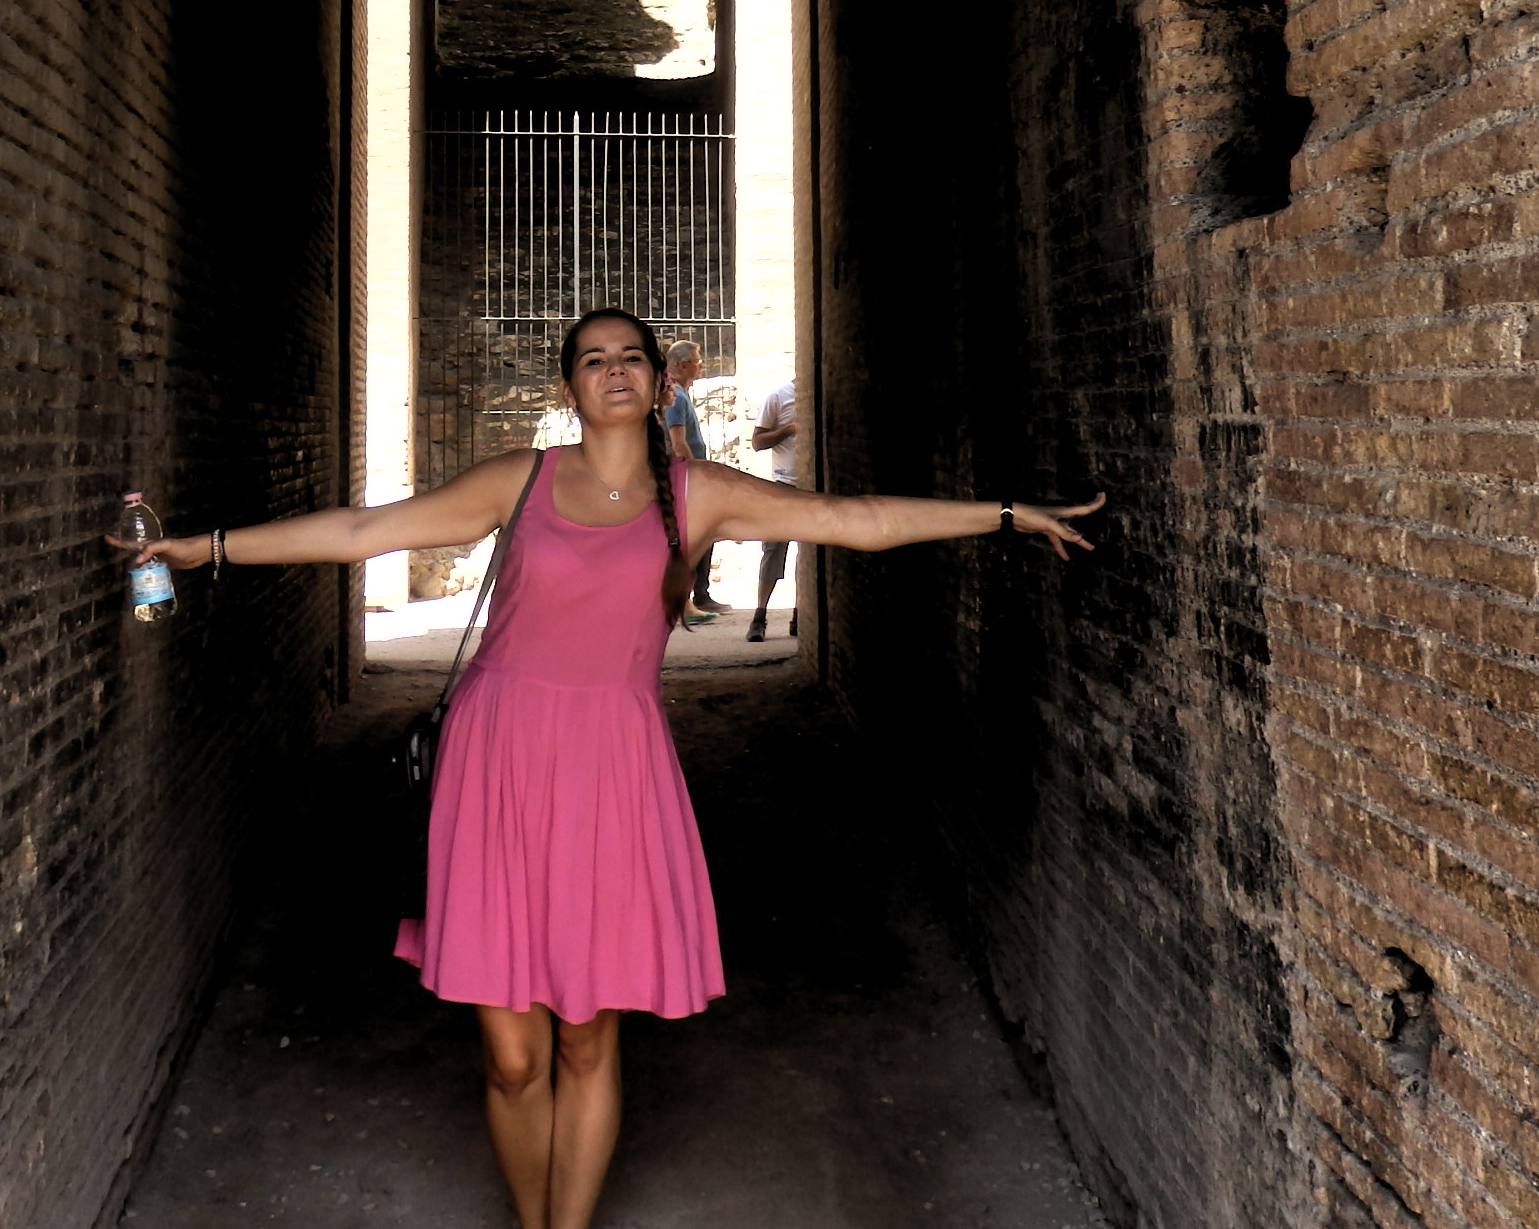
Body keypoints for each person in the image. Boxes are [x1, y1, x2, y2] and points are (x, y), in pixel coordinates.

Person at [115, 309, 1103, 1229]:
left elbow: (858, 518)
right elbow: (363, 532)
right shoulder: (521, 480)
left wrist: (1009, 514)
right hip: (497, 762)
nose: (613, 370)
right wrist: (207, 549)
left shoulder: (700, 494)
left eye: (630, 356)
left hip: (614, 772)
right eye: (592, 360)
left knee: (588, 1034)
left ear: (660, 379)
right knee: (513, 1058)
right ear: (569, 388)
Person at [660, 339, 731, 617]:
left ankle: (698, 594)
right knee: (698, 534)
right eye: (697, 360)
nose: (701, 365)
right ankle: (695, 596)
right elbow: (678, 443)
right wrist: (696, 475)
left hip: (685, 477)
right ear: (682, 365)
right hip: (685, 478)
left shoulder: (680, 395)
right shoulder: (676, 397)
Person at [748, 374, 798, 642]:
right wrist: (788, 430)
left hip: (812, 489)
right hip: (783, 486)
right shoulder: (778, 396)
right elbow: (757, 442)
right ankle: (759, 616)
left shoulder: (819, 398)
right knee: (773, 551)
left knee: (810, 556)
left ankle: (800, 616)